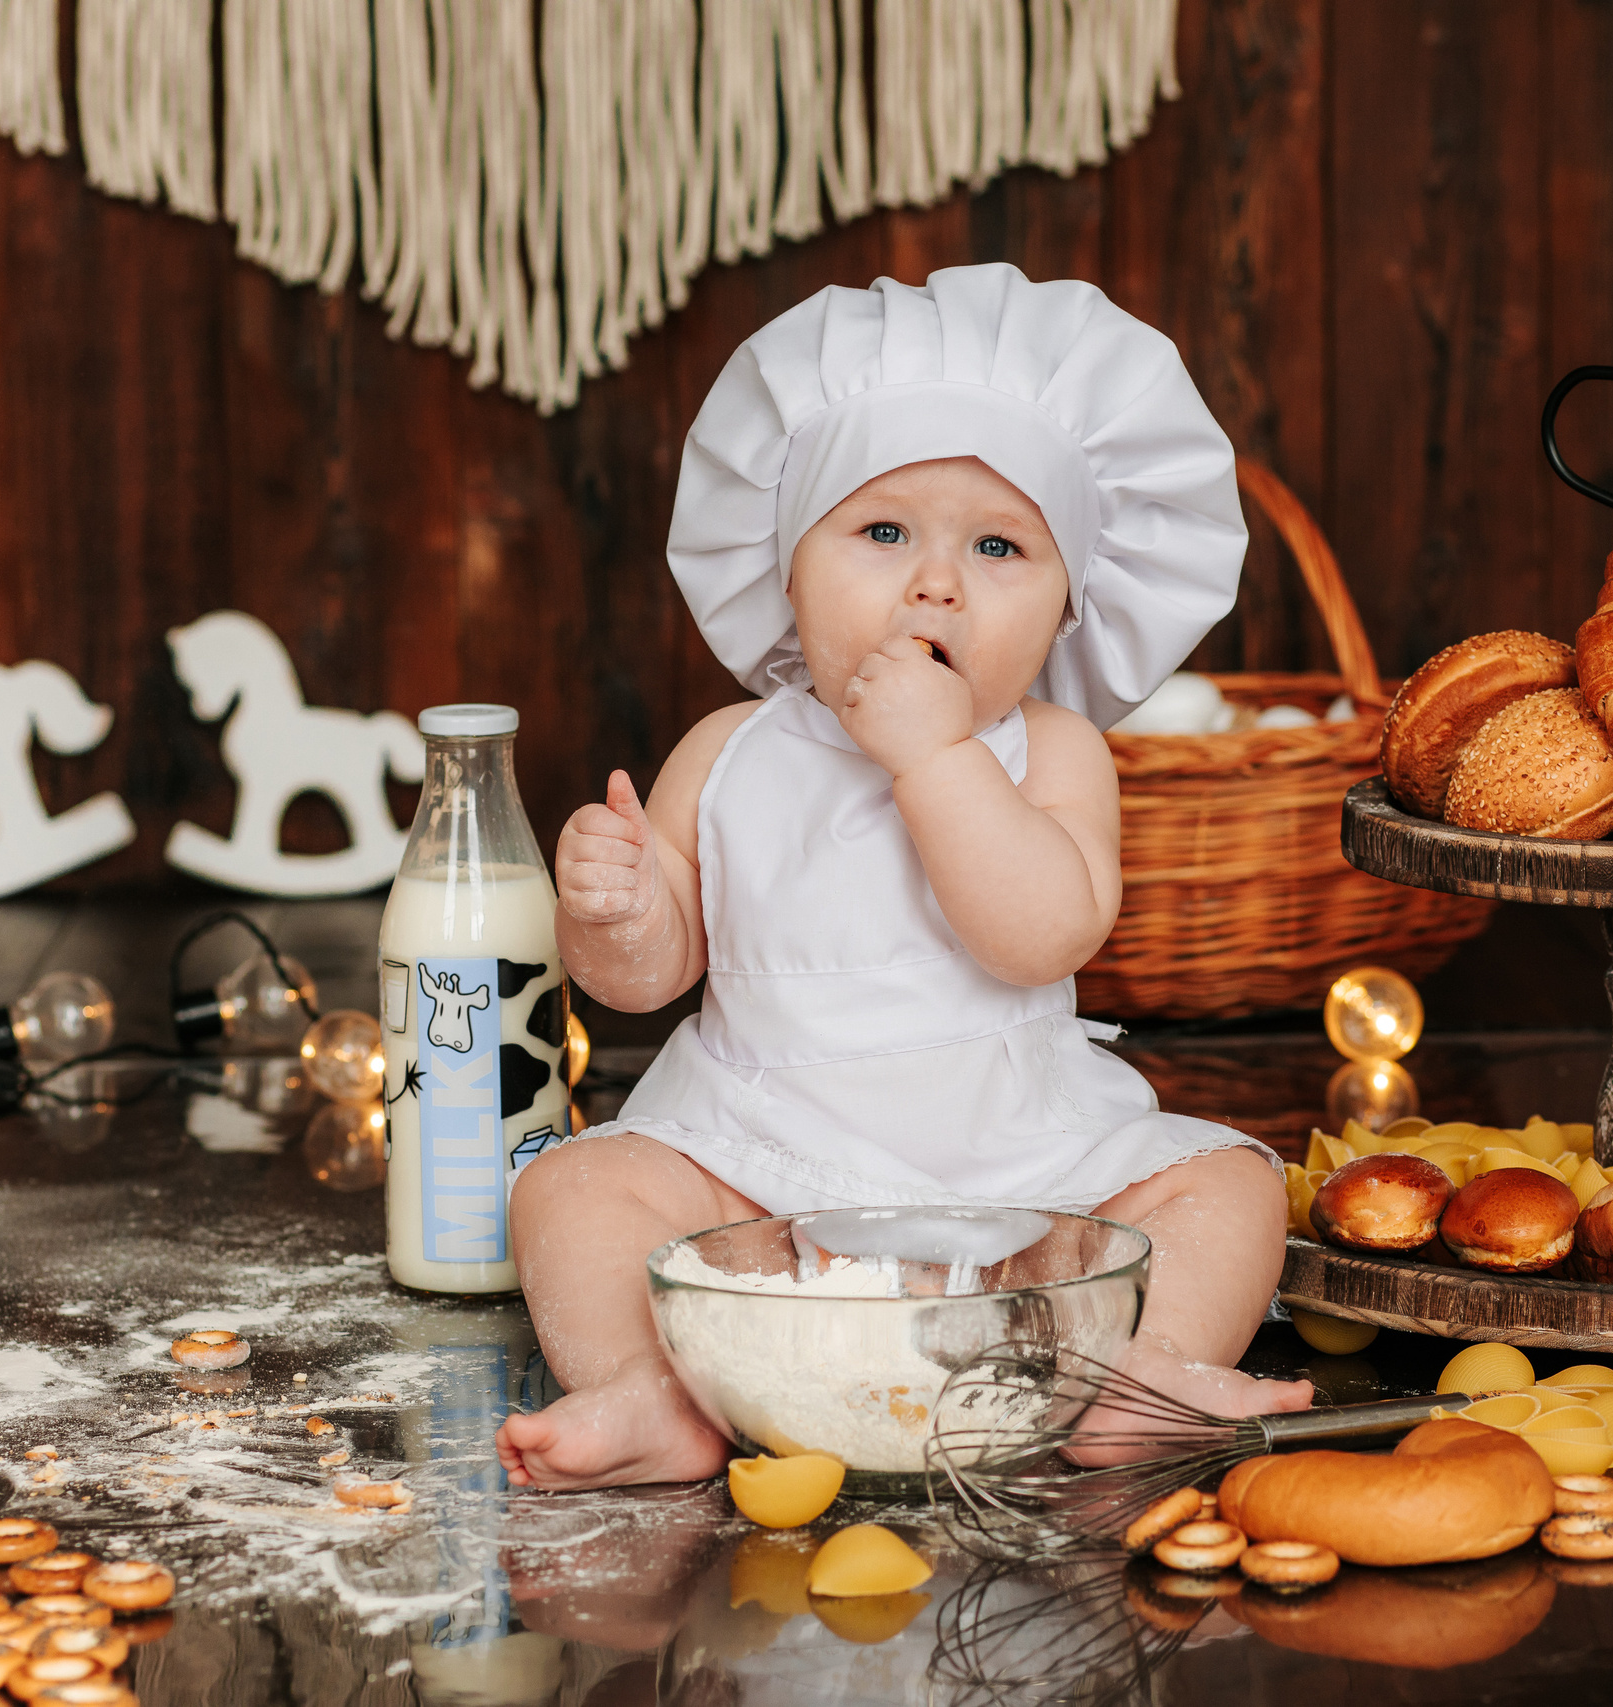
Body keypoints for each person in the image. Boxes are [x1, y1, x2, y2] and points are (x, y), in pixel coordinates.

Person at [496, 265, 1309, 1491]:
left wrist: (934, 756)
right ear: (786, 567)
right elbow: (642, 982)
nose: (936, 584)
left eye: (997, 546)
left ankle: (1142, 1372)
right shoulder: (729, 751)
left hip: (1026, 1169)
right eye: (881, 533)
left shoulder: (1054, 752)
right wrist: (613, 907)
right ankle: (652, 1391)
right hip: (757, 1161)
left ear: (1066, 610)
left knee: (1234, 1188)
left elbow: (1039, 938)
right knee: (571, 1188)